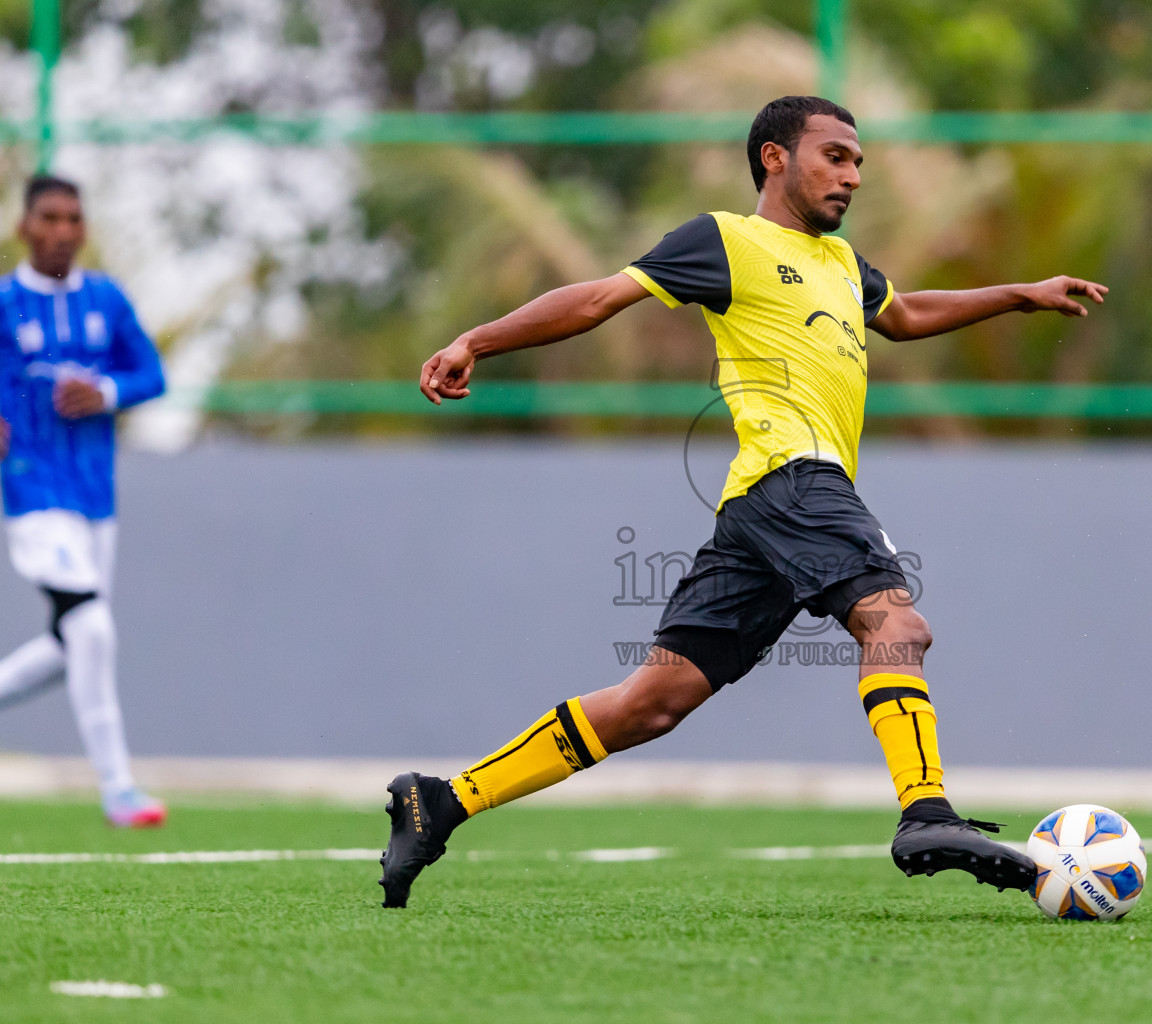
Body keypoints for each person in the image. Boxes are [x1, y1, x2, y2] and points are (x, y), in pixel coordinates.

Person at [379, 96, 1107, 907]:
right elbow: (595, 299)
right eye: (835, 156)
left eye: (859, 161)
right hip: (795, 476)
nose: (853, 175)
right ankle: (925, 812)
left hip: (758, 509)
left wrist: (1021, 292)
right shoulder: (726, 241)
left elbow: (901, 315)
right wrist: (474, 340)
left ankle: (441, 801)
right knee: (896, 621)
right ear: (774, 157)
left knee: (651, 703)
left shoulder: (842, 263)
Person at [0, 174, 167, 828]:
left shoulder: (106, 300)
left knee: (73, 640)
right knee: (92, 626)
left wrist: (106, 391)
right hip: (32, 489)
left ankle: (118, 787)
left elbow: (152, 374)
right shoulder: (6, 302)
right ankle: (119, 788)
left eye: (73, 219)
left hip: (96, 493)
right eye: (50, 218)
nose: (62, 230)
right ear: (25, 227)